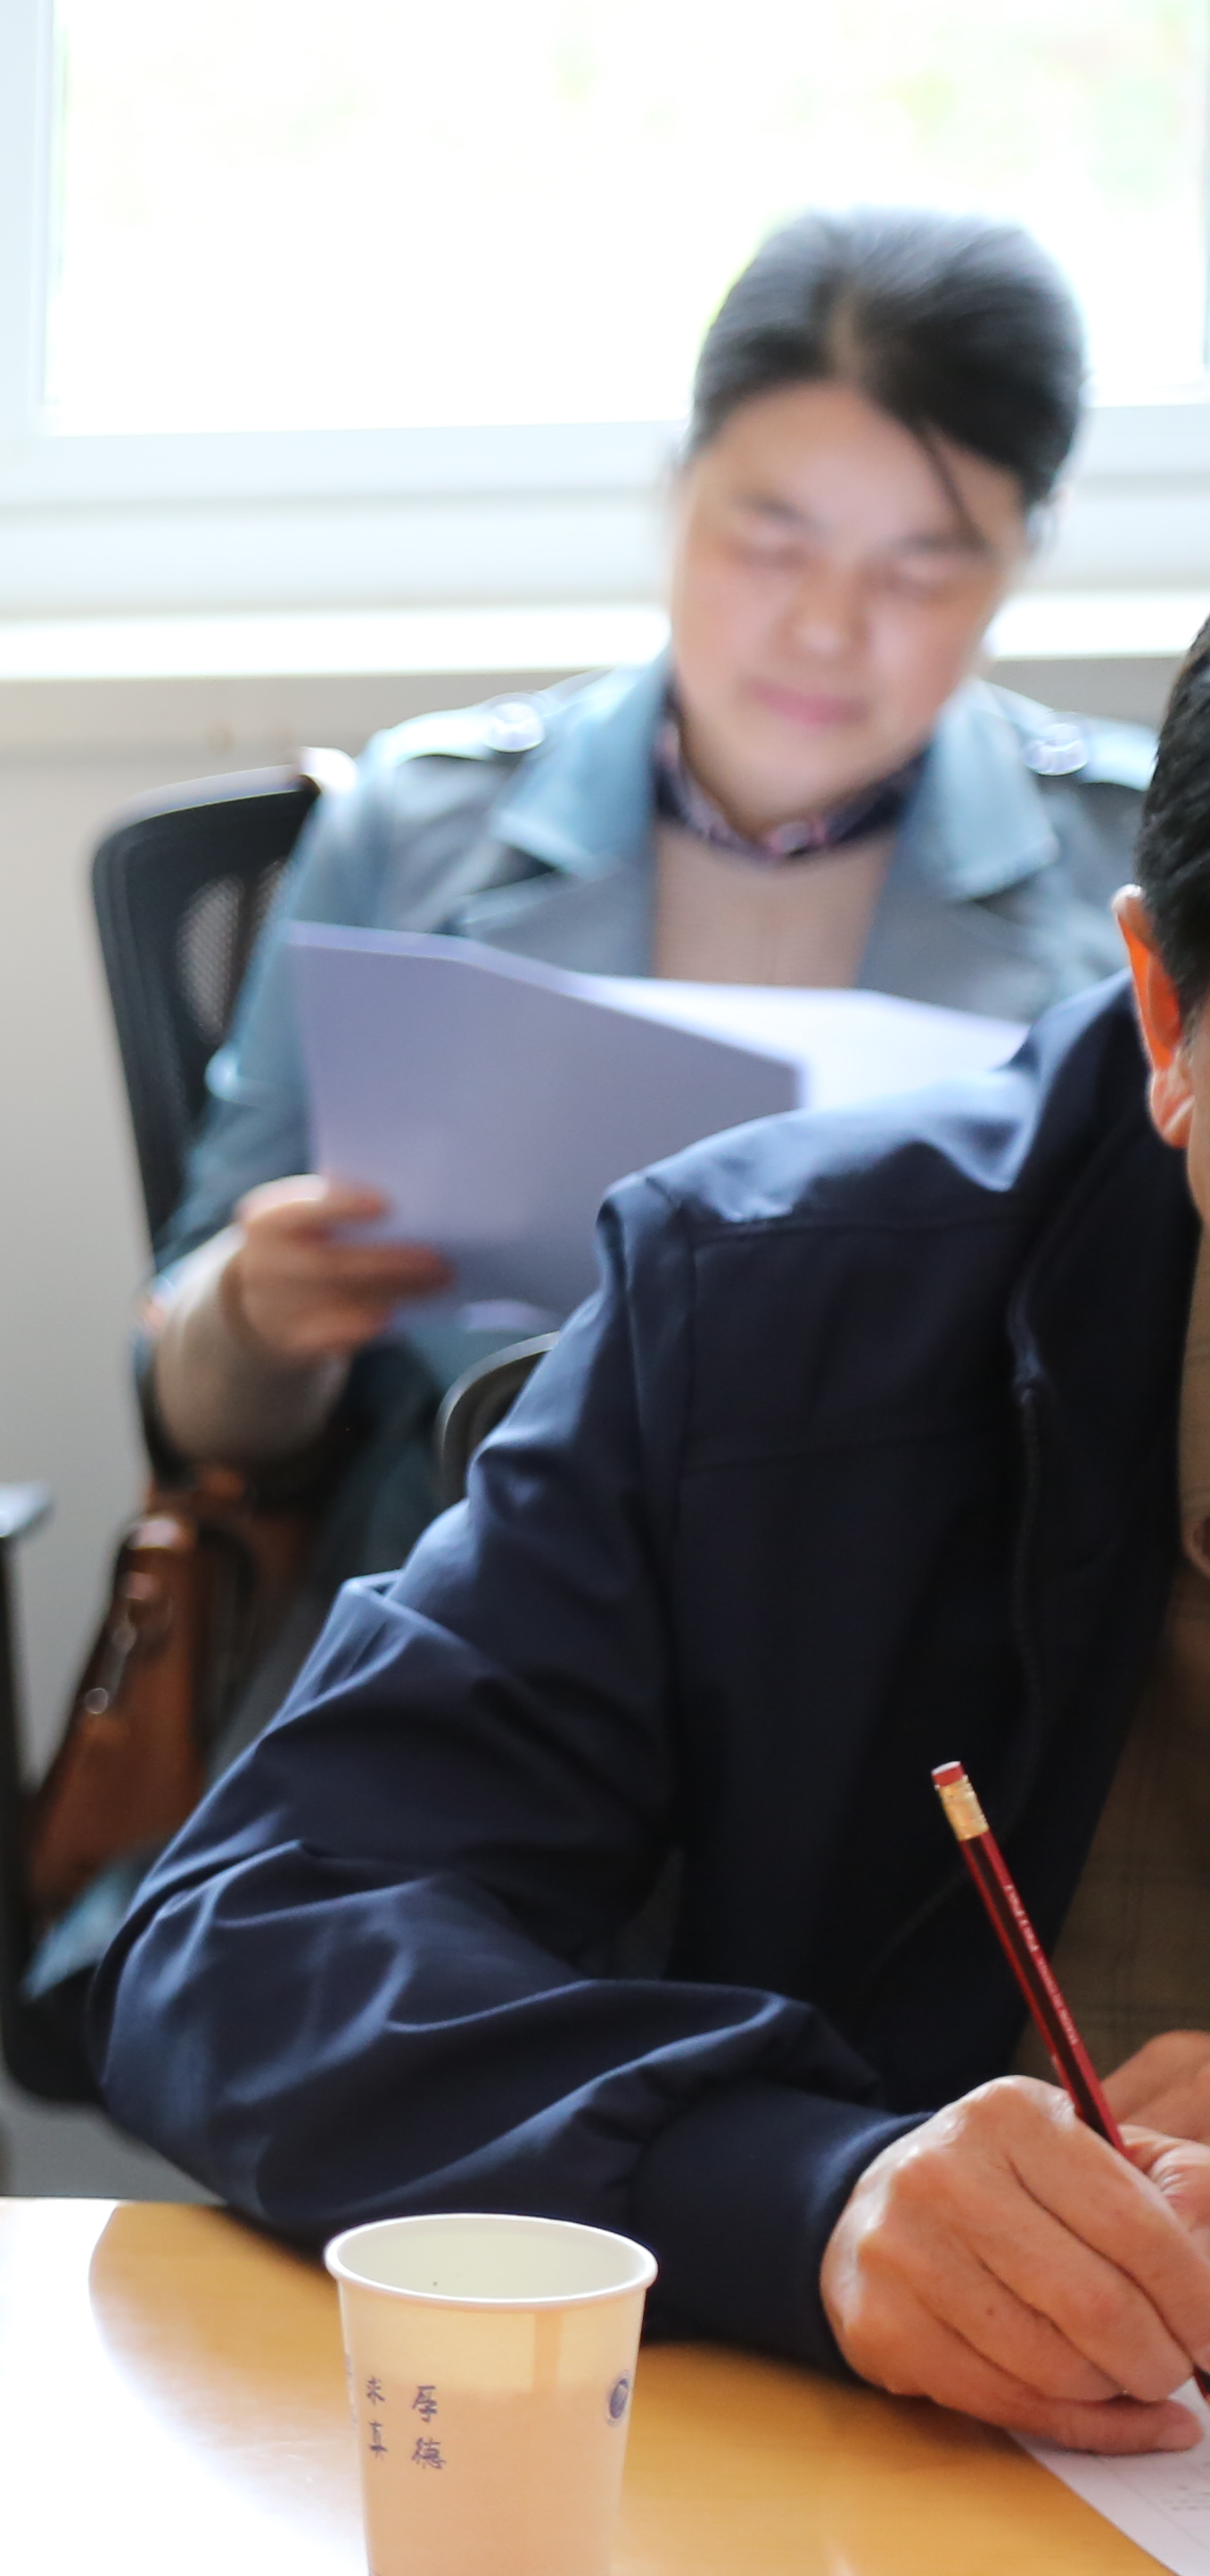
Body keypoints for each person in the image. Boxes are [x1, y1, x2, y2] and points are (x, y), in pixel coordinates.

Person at [100, 620, 1210, 2455]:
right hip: (936, 2517)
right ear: (1165, 1022)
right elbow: (254, 1947)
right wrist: (813, 2187)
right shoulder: (780, 1306)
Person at [147, 208, 1147, 1609]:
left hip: (940, 1616)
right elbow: (189, 1399)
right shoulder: (422, 824)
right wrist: (257, 1319)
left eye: (922, 567)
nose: (825, 627)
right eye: (772, 539)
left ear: (1025, 556)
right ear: (676, 490)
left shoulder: (1134, 866)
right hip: (469, 1592)